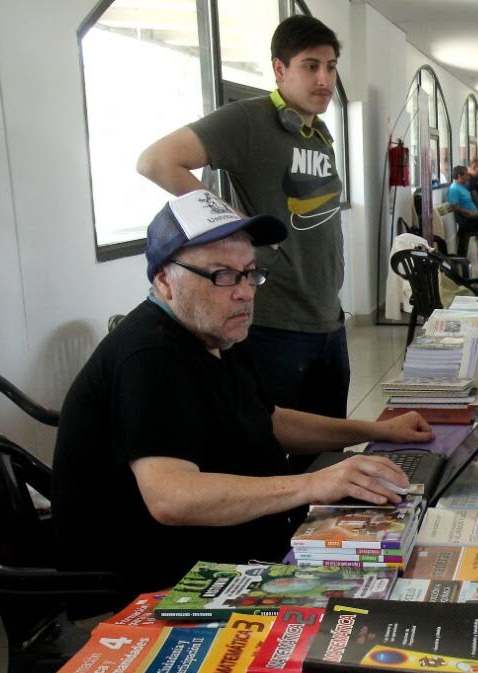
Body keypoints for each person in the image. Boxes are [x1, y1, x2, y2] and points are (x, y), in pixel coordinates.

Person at [52, 191, 433, 593]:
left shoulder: (212, 333)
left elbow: (271, 421)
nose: (245, 292)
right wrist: (313, 483)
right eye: (222, 275)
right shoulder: (150, 355)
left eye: (250, 273)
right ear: (165, 280)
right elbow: (171, 498)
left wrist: (377, 432)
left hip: (240, 546)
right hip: (166, 581)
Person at [137, 15, 350, 419]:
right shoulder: (250, 121)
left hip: (327, 319)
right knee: (273, 458)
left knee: (327, 457)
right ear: (279, 69)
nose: (324, 79)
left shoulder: (319, 135)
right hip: (274, 323)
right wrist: (238, 225)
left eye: (331, 67)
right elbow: (156, 161)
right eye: (310, 66)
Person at [447, 165, 478, 256]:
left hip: (476, 216)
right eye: (466, 175)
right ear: (459, 176)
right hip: (469, 220)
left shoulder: (463, 187)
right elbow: (454, 207)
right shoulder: (454, 189)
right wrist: (470, 213)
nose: (468, 177)